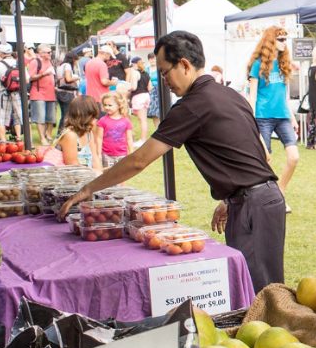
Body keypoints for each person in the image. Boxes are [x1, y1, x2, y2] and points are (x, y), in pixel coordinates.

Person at [58, 31, 284, 293]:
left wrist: (88, 189)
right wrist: (231, 197)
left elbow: (139, 160)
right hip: (260, 198)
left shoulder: (192, 105)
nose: (163, 80)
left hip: (254, 202)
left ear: (185, 65)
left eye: (165, 72)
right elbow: (258, 153)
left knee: (262, 294)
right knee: (254, 288)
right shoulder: (230, 95)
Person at [248, 26, 299, 214]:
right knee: (265, 159)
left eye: (286, 39)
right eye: (281, 39)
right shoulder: (257, 65)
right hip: (262, 117)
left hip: (283, 117)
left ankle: (280, 193)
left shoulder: (284, 64)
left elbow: (284, 96)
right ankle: (270, 199)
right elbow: (252, 96)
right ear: (271, 41)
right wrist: (251, 119)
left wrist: (292, 117)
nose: (285, 42)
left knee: (294, 157)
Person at [46, 95, 101, 169]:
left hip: (88, 176)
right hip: (71, 177)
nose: (95, 120)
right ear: (85, 116)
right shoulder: (70, 135)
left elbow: (95, 158)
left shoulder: (88, 133)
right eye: (93, 116)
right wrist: (94, 174)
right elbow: (73, 165)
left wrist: (100, 174)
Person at [0, 43, 23, 142]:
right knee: (17, 115)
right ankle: (18, 137)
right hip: (16, 93)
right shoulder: (18, 63)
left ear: (1, 53)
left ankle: (3, 140)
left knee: (0, 117)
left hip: (3, 92)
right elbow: (26, 79)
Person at [28, 44, 58, 145]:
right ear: (40, 53)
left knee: (51, 117)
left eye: (51, 52)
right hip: (38, 93)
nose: (50, 54)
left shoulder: (51, 62)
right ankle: (42, 138)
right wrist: (44, 74)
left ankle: (48, 135)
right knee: (40, 117)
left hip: (51, 93)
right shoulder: (35, 62)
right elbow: (31, 77)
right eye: (48, 52)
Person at [96, 92, 133, 168]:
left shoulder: (126, 121)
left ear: (119, 105)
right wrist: (99, 154)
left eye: (110, 105)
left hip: (122, 155)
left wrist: (131, 153)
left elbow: (129, 139)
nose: (107, 107)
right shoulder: (102, 121)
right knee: (108, 175)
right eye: (105, 105)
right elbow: (99, 138)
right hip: (106, 155)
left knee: (121, 175)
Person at [127, 56, 152, 146]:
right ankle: (143, 139)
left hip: (138, 96)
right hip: (146, 96)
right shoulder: (146, 73)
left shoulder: (135, 73)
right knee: (143, 119)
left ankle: (143, 140)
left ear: (134, 64)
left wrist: (126, 87)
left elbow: (134, 87)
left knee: (142, 120)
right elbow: (150, 87)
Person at [55, 51, 80, 136]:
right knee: (67, 114)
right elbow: (68, 79)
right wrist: (77, 78)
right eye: (76, 60)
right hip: (67, 92)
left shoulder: (60, 66)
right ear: (73, 59)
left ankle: (60, 131)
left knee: (63, 113)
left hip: (59, 91)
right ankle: (62, 133)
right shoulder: (68, 66)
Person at [146, 53, 162, 128]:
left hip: (160, 91)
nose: (152, 60)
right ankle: (157, 129)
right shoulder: (146, 69)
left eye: (154, 58)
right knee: (154, 113)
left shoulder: (160, 68)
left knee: (162, 112)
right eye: (150, 58)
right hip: (151, 92)